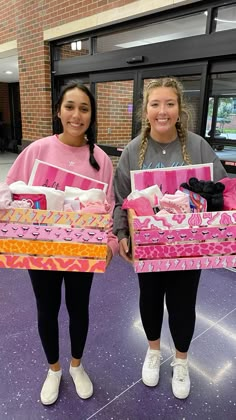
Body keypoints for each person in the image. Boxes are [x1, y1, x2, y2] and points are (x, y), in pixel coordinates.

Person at [113, 77, 227, 399]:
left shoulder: (198, 146)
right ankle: (152, 351)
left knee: (182, 304)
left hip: (190, 249)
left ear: (180, 109)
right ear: (145, 111)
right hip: (149, 249)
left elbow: (221, 192)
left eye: (170, 104)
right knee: (149, 300)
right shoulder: (133, 151)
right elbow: (121, 199)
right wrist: (122, 233)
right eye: (155, 104)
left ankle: (181, 360)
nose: (162, 111)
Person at [6, 82, 118, 405]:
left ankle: (77, 365)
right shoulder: (36, 151)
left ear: (91, 115)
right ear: (58, 110)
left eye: (84, 108)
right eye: (70, 106)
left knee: (78, 308)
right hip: (41, 252)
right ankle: (53, 369)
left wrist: (109, 246)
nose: (76, 115)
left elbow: (109, 210)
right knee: (47, 308)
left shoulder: (101, 160)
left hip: (82, 252)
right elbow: (10, 193)